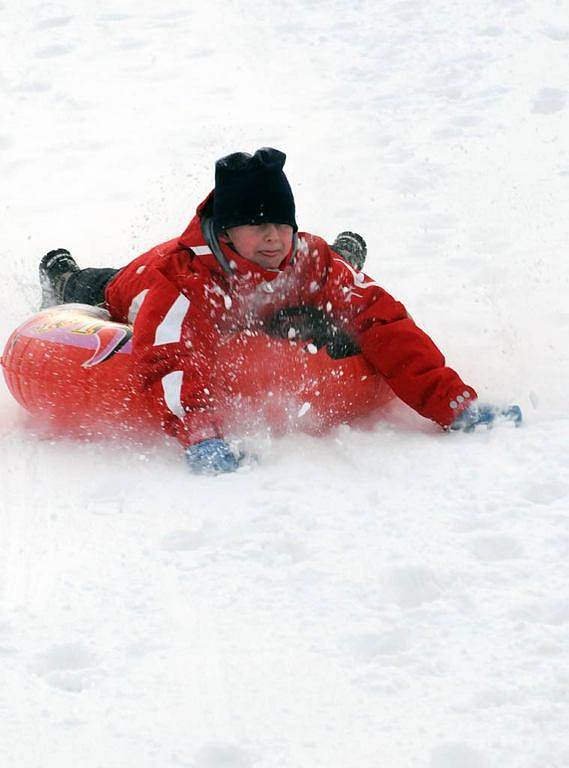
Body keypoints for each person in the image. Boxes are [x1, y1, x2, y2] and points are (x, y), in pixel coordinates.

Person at [39, 147, 521, 474]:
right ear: (226, 232)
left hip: (277, 292)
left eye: (280, 224)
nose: (270, 237)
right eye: (254, 226)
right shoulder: (182, 281)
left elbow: (384, 322)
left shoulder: (306, 259)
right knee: (109, 286)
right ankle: (64, 275)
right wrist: (201, 433)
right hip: (142, 278)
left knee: (327, 270)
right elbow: (171, 357)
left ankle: (345, 252)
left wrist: (452, 403)